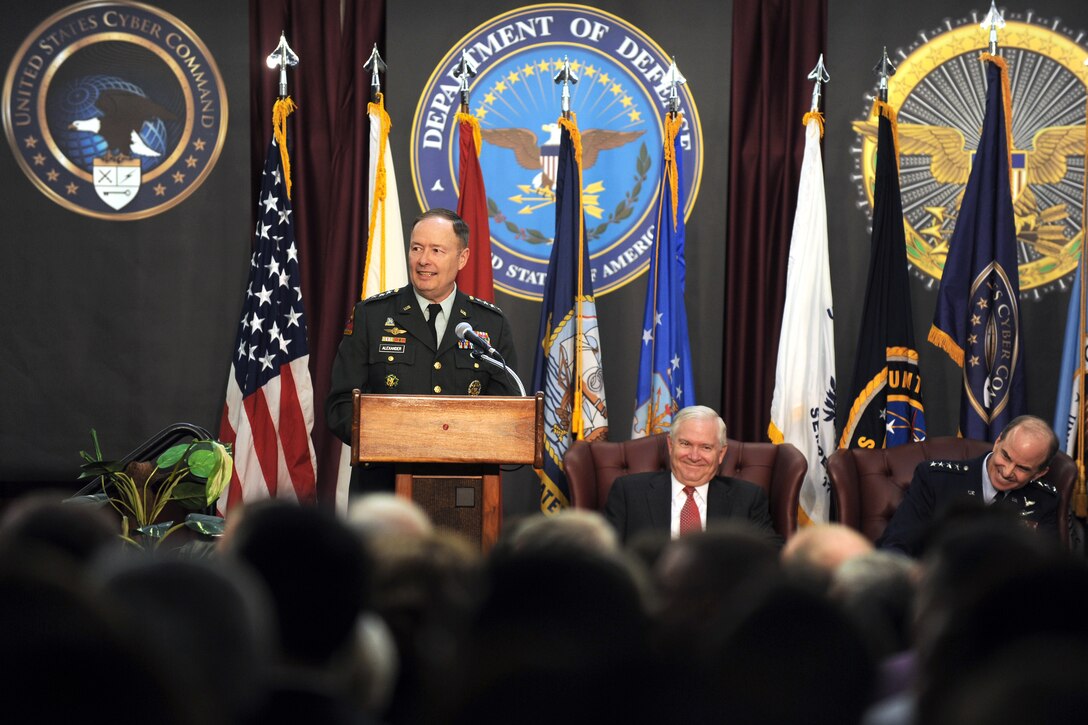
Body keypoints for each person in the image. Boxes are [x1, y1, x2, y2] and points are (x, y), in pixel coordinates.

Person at [326, 208, 520, 492]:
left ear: (462, 258)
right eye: (417, 248)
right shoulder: (372, 317)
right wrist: (398, 441)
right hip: (383, 489)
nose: (423, 260)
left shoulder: (490, 323)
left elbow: (507, 410)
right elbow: (341, 406)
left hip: (462, 490)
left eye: (437, 250)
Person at [877, 415, 1063, 557]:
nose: (1007, 472)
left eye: (1022, 468)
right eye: (1006, 456)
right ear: (997, 442)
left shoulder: (1044, 499)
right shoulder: (935, 479)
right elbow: (896, 545)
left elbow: (1047, 565)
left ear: (1039, 473)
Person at [603, 406, 781, 545]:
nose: (694, 456)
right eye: (686, 443)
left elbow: (771, 552)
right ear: (671, 446)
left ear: (720, 454)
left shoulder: (748, 499)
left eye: (706, 447)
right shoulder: (628, 492)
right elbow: (605, 554)